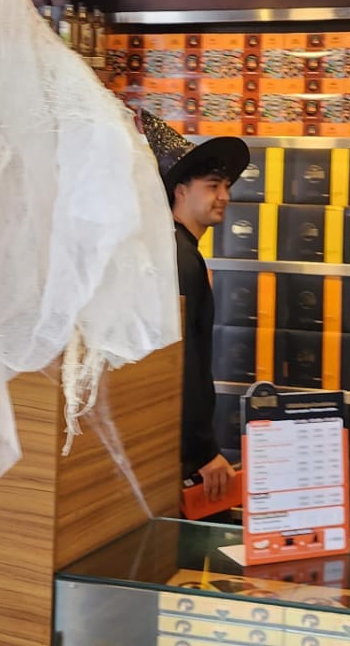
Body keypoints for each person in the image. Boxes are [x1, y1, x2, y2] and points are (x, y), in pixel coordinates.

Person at [140, 111, 250, 503]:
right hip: (179, 450)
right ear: (180, 191)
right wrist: (202, 451)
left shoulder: (173, 249)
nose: (225, 196)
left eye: (226, 186)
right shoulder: (182, 258)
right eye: (212, 186)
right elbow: (181, 358)